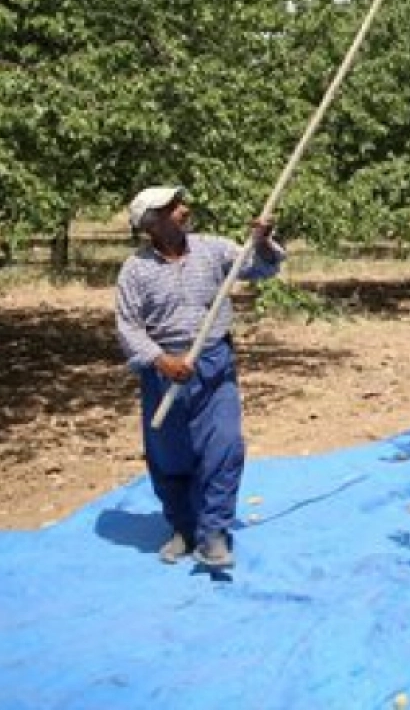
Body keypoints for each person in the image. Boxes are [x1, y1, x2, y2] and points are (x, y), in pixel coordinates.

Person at [115, 186, 285, 570]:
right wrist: (160, 361)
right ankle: (182, 529)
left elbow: (261, 268)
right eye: (172, 207)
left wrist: (261, 242)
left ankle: (214, 533)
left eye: (180, 203)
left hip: (214, 362)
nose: (184, 209)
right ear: (151, 223)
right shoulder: (136, 270)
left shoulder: (212, 249)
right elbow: (128, 328)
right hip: (165, 372)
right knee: (170, 454)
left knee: (224, 446)